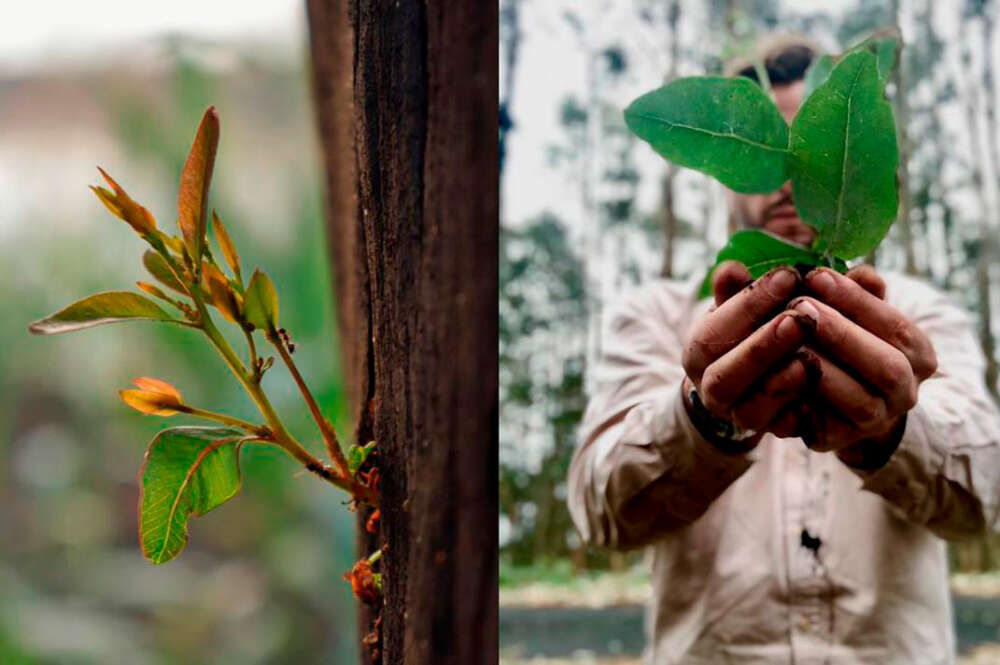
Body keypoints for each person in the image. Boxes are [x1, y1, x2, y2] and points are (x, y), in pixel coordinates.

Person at [567, 35, 1000, 664]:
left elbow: (985, 501)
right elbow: (599, 511)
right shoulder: (657, 318)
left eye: (818, 152)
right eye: (777, 151)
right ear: (724, 172)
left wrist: (892, 433)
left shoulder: (920, 317)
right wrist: (702, 420)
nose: (795, 178)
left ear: (853, 166)